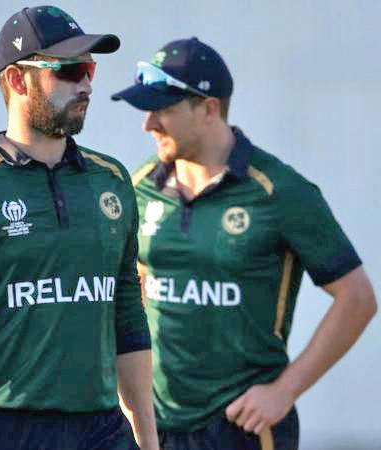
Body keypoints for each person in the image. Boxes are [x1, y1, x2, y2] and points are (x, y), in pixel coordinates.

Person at [0, 6, 159, 450]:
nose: (86, 85)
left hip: (100, 427)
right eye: (70, 70)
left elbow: (127, 314)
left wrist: (148, 436)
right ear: (17, 80)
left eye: (90, 70)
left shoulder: (111, 179)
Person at [111, 37, 377, 450]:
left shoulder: (280, 191)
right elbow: (135, 289)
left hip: (243, 427)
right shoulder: (139, 185)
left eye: (163, 110)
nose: (149, 125)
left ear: (208, 109)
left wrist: (284, 391)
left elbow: (357, 298)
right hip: (156, 427)